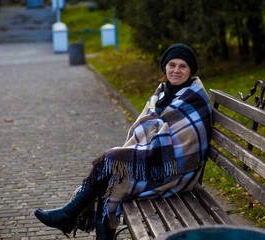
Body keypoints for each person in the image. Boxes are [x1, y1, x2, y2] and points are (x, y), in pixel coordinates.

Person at [34, 43, 212, 239]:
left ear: (190, 71)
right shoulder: (162, 92)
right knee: (111, 181)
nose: (176, 70)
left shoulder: (194, 99)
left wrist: (148, 145)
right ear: (164, 68)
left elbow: (185, 143)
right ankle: (68, 214)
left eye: (183, 66)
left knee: (110, 161)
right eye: (172, 65)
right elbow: (149, 126)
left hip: (176, 170)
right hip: (157, 160)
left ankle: (69, 213)